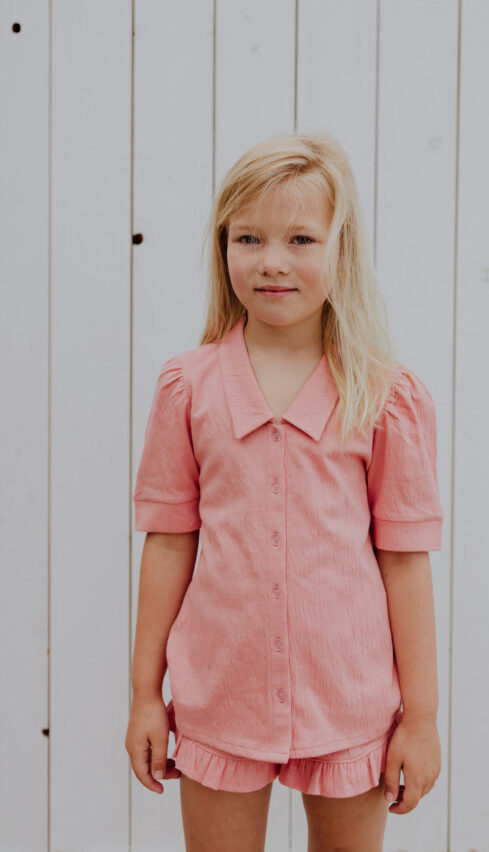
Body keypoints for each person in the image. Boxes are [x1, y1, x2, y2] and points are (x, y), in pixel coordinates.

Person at [125, 130, 444, 852]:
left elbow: (404, 560)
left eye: (301, 238)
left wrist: (420, 717)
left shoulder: (383, 396)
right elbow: (169, 542)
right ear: (223, 247)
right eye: (248, 238)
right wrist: (147, 693)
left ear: (341, 249)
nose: (271, 262)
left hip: (351, 700)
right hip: (218, 695)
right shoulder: (188, 388)